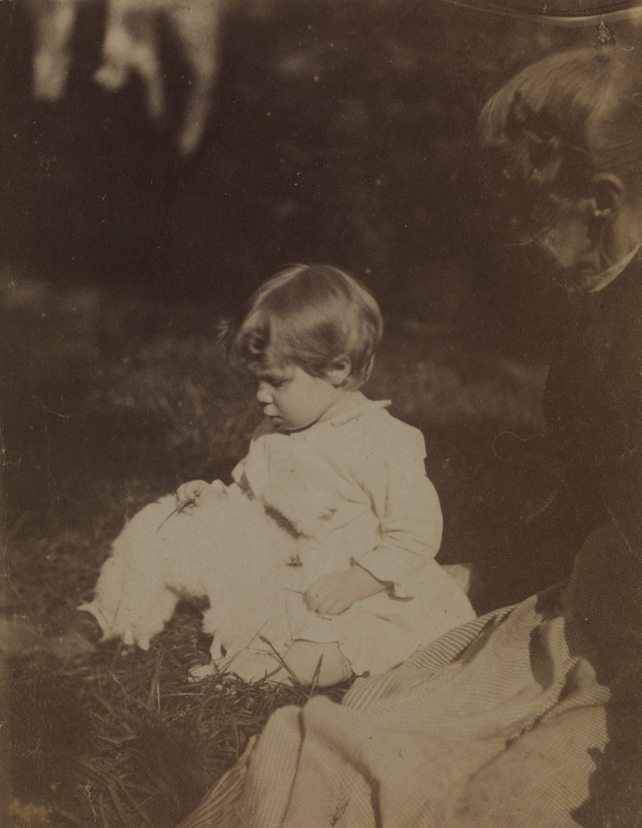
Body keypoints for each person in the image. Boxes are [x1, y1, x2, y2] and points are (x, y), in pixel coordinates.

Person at [173, 46, 642, 828]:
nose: (513, 238)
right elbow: (600, 502)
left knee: (509, 804)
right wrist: (484, 574)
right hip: (603, 602)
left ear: (601, 199)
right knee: (359, 748)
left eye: (525, 209)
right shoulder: (594, 318)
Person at [80, 263, 474, 687]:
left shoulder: (384, 442)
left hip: (362, 594)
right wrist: (217, 499)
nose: (260, 396)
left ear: (338, 369)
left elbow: (415, 533)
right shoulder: (273, 433)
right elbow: (254, 499)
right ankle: (116, 614)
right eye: (257, 382)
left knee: (327, 648)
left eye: (276, 382)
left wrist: (357, 581)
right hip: (288, 583)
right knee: (182, 556)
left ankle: (270, 673)